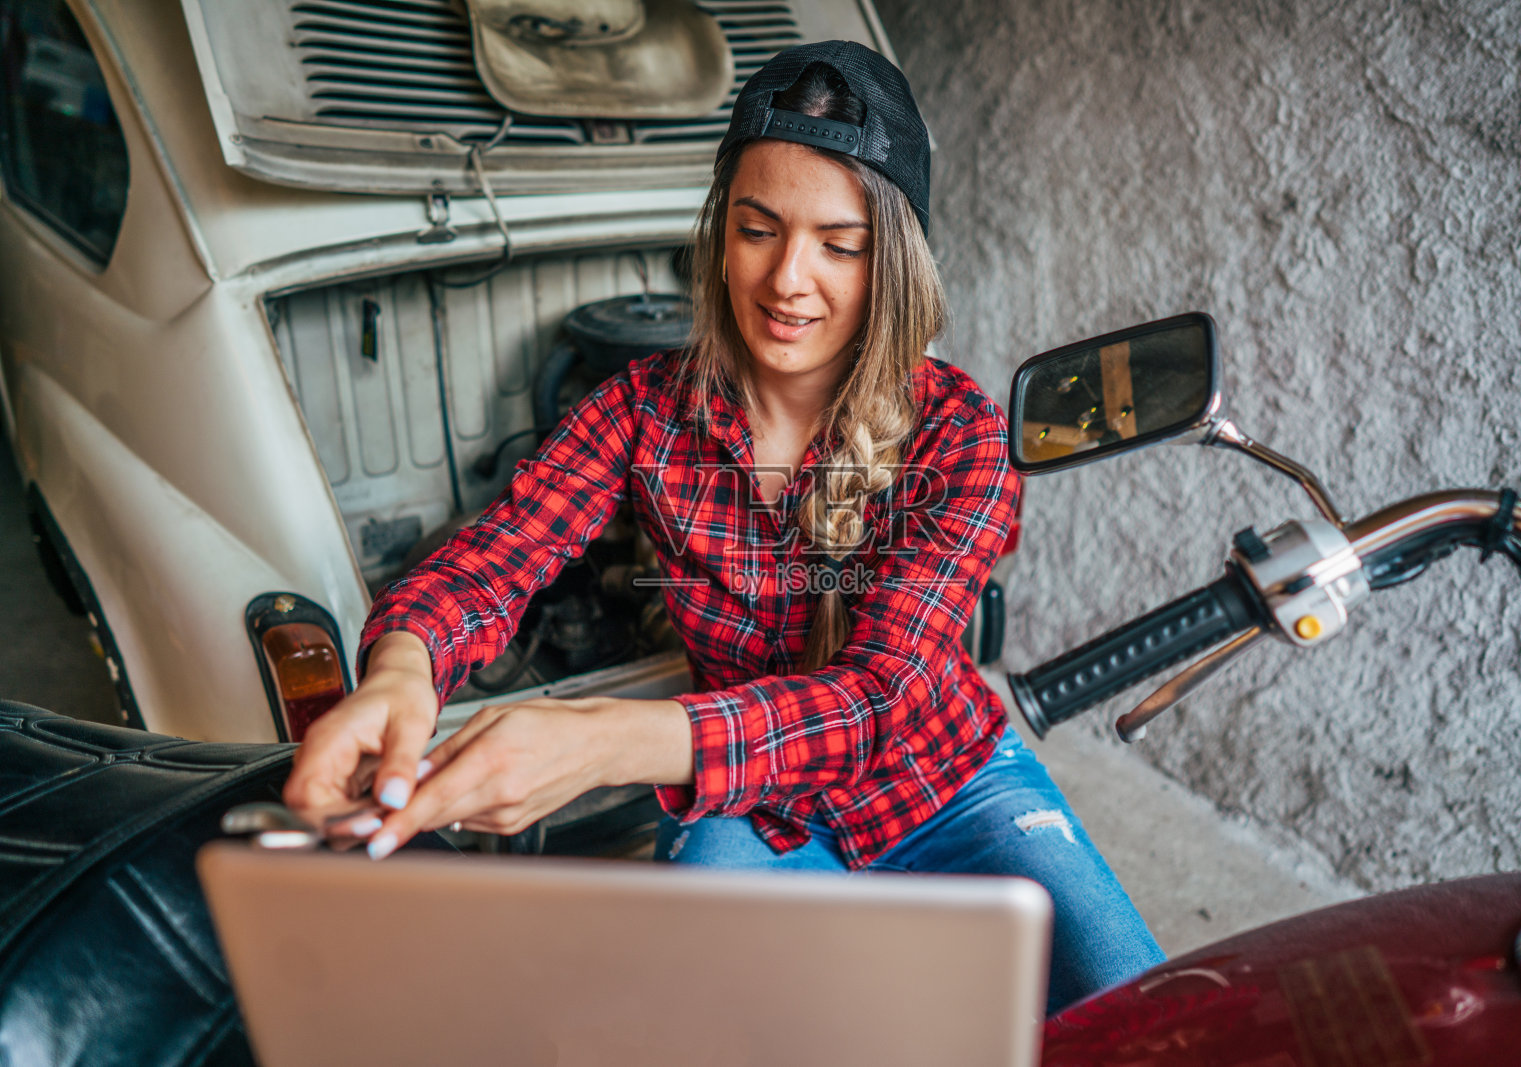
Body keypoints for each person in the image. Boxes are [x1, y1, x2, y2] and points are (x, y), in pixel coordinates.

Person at [283, 40, 1164, 1014]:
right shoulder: (639, 412)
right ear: (717, 237)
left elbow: (878, 697)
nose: (788, 279)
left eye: (839, 243)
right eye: (757, 229)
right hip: (749, 807)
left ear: (895, 261)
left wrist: (601, 741)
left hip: (948, 783)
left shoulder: (963, 432)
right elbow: (496, 557)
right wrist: (404, 669)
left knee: (1152, 1016)